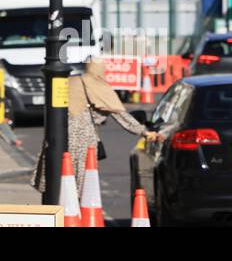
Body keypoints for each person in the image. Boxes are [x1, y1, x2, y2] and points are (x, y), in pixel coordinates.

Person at [33, 57, 159, 195]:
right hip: (81, 136)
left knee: (56, 177)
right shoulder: (97, 85)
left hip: (57, 133)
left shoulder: (71, 81)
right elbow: (120, 115)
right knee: (79, 181)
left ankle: (55, 206)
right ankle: (75, 211)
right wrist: (144, 132)